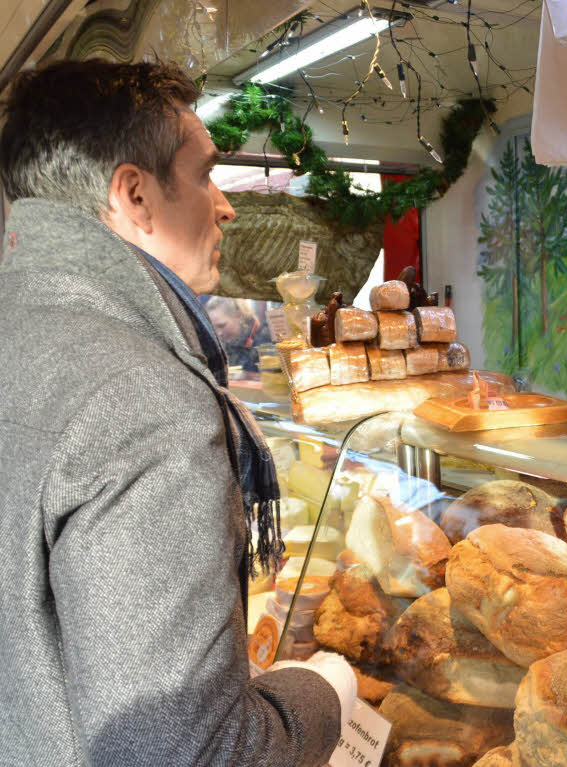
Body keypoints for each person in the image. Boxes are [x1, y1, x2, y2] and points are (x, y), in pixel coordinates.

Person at [0, 59, 354, 765]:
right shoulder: (145, 403)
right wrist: (323, 691)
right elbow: (188, 753)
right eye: (203, 175)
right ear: (134, 195)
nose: (224, 205)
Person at [206, 296, 271, 372]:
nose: (218, 333)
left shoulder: (265, 340)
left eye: (221, 326)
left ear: (239, 315)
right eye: (214, 328)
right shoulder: (224, 346)